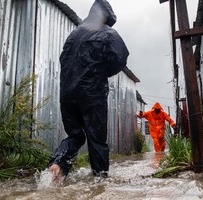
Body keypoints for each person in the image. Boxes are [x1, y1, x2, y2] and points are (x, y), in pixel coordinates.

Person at [48, 0, 129, 180]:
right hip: (92, 94)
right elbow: (121, 58)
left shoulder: (73, 35)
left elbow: (63, 60)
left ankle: (57, 165)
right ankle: (99, 181)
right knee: (96, 138)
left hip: (67, 94)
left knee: (75, 135)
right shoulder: (109, 33)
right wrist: (103, 72)